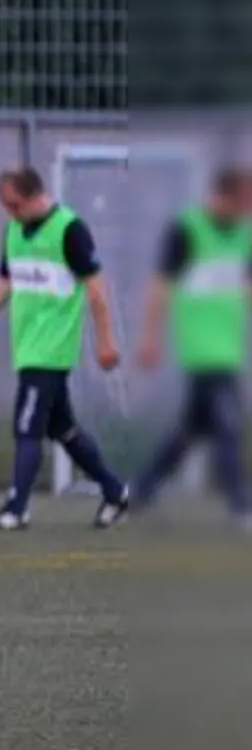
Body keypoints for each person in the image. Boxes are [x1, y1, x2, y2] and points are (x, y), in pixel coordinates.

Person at [0, 166, 130, 531]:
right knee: (63, 429)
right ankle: (115, 491)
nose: (10, 213)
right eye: (5, 207)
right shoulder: (14, 231)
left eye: (15, 205)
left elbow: (97, 291)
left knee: (27, 426)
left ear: (35, 195)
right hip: (27, 347)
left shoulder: (70, 230)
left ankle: (16, 509)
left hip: (51, 351)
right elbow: (6, 281)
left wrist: (105, 341)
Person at [124, 166, 252, 531]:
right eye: (243, 202)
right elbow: (160, 286)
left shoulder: (244, 236)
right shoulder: (186, 230)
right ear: (224, 197)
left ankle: (141, 489)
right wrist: (150, 337)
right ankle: (242, 507)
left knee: (190, 431)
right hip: (201, 350)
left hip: (227, 348)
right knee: (229, 426)